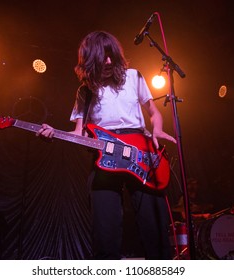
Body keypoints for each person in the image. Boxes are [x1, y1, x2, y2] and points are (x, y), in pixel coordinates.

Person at [37, 31, 177, 259]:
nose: (109, 62)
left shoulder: (134, 77)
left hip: (140, 150)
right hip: (105, 155)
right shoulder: (85, 92)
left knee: (155, 229)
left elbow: (153, 111)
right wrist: (54, 134)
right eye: (103, 57)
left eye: (112, 56)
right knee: (104, 231)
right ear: (90, 60)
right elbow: (79, 132)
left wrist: (158, 129)